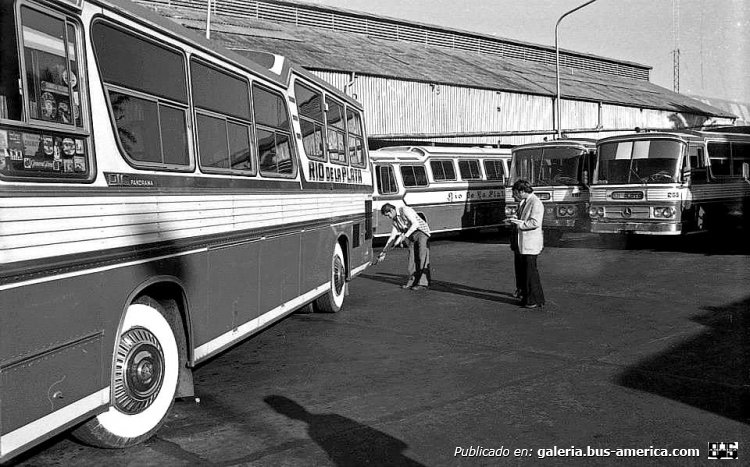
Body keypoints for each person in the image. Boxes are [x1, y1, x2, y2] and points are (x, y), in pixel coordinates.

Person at [507, 179, 545, 308]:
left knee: (530, 273)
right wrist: (514, 220)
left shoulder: (536, 203)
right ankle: (530, 297)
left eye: (515, 193)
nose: (513, 196)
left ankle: (532, 300)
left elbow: (535, 222)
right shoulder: (524, 202)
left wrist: (520, 224)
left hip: (531, 243)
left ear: (522, 191)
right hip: (522, 243)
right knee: (525, 271)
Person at [378, 203, 431, 290]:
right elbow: (392, 237)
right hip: (410, 235)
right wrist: (384, 252)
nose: (389, 217)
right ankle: (413, 281)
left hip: (421, 232)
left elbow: (415, 224)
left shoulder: (404, 210)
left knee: (422, 256)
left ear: (392, 210)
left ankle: (423, 283)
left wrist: (404, 236)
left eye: (388, 215)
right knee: (412, 259)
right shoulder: (395, 221)